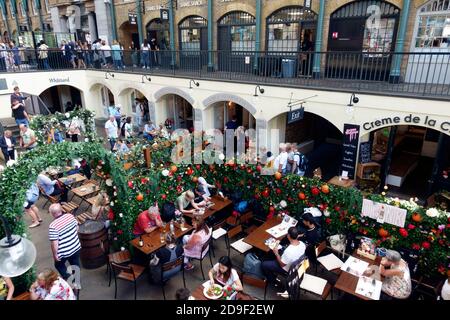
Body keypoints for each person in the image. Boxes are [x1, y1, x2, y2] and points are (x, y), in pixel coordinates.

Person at [48, 203, 81, 280]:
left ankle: (69, 279)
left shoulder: (53, 226)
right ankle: (76, 280)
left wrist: (55, 255)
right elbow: (77, 228)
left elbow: (54, 243)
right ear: (61, 210)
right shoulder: (70, 216)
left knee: (59, 265)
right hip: (75, 246)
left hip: (64, 252)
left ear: (52, 214)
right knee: (75, 264)